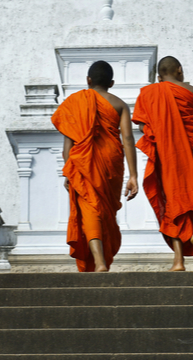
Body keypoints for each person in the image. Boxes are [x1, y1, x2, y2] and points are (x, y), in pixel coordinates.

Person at [132, 56, 193, 271]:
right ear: (180, 70)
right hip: (192, 152)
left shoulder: (149, 93)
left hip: (166, 155)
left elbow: (143, 128)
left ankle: (178, 261)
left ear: (158, 77)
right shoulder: (191, 91)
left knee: (171, 201)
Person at [51, 60, 138, 272]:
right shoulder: (119, 104)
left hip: (83, 163)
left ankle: (99, 262)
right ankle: (101, 261)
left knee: (90, 208)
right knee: (104, 210)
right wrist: (133, 176)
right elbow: (127, 139)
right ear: (112, 83)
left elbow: (68, 146)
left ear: (88, 80)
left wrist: (70, 172)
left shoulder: (75, 102)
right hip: (111, 162)